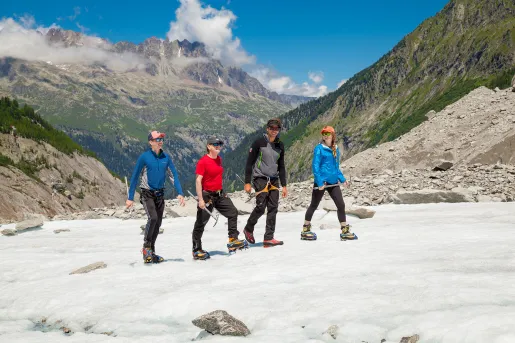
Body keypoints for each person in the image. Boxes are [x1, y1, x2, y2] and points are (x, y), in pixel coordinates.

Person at [126, 131, 185, 263]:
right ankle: (146, 248)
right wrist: (130, 197)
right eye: (157, 139)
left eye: (161, 139)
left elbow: (173, 176)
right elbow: (135, 177)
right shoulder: (144, 157)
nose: (160, 141)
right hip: (147, 193)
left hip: (160, 194)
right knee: (152, 218)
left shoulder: (166, 157)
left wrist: (180, 193)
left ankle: (151, 253)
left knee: (158, 224)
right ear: (150, 142)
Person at [192, 136, 246, 260]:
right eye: (215, 144)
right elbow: (198, 181)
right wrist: (200, 199)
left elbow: (216, 177)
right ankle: (196, 249)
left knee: (233, 212)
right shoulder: (203, 161)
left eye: (219, 144)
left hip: (219, 194)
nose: (218, 146)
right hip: (207, 196)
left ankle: (233, 239)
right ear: (208, 146)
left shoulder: (219, 159)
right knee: (201, 223)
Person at [301, 126, 357, 241]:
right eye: (324, 134)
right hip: (321, 182)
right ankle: (305, 228)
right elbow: (315, 166)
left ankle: (344, 230)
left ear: (332, 135)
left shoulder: (335, 149)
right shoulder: (319, 149)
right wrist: (319, 182)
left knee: (341, 205)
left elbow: (336, 168)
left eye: (328, 133)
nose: (325, 136)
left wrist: (342, 179)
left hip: (333, 182)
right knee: (314, 205)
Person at [243, 118, 288, 247]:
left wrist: (284, 185)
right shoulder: (259, 142)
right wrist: (247, 182)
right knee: (261, 207)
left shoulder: (280, 145)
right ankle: (248, 228)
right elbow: (249, 163)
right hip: (260, 178)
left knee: (273, 208)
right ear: (267, 129)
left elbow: (282, 166)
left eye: (277, 129)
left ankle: (269, 237)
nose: (274, 131)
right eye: (272, 128)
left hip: (274, 179)